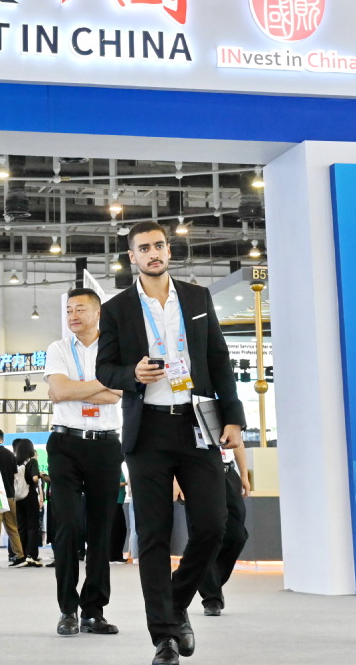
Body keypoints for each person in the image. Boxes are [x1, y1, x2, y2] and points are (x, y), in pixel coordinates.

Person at [96, 221, 243, 665]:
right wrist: (131, 375)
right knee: (154, 534)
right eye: (144, 248)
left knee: (214, 525)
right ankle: (163, 636)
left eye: (159, 245)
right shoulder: (117, 308)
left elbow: (218, 359)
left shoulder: (196, 298)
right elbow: (105, 368)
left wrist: (234, 418)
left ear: (169, 250)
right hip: (148, 431)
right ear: (132, 257)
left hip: (198, 423)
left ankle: (175, 604)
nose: (154, 253)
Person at [44, 287, 123, 636]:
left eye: (80, 309)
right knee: (68, 526)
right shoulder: (58, 349)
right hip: (65, 444)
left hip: (106, 446)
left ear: (97, 312)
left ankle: (94, 611)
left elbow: (120, 393)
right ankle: (67, 609)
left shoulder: (116, 348)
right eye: (69, 310)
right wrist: (101, 387)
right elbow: (60, 390)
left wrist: (77, 388)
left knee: (101, 530)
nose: (73, 316)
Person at [197, 445, 249, 616]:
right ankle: (212, 598)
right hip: (200, 473)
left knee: (237, 535)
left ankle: (209, 581)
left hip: (228, 472)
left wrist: (244, 474)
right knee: (208, 534)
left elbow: (238, 442)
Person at [0, 428, 25, 568]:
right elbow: (15, 475)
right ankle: (20, 556)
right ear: (2, 439)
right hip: (10, 495)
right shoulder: (10, 454)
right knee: (12, 528)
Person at [14, 438, 44, 568]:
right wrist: (40, 475)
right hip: (30, 496)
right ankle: (32, 555)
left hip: (18, 497)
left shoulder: (16, 462)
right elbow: (34, 478)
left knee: (21, 527)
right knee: (32, 526)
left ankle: (22, 555)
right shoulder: (32, 462)